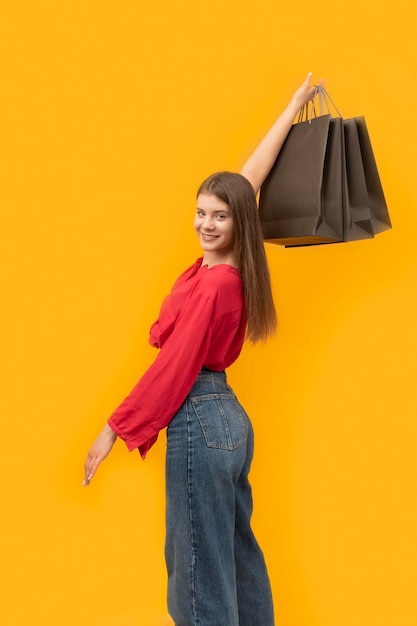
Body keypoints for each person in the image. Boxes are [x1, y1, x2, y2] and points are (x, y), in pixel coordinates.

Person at [83, 73, 319, 626]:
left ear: (240, 222)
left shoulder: (215, 284)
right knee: (235, 560)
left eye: (219, 216)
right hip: (230, 421)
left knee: (195, 573)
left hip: (201, 417)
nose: (206, 224)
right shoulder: (230, 268)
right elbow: (249, 178)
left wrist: (114, 428)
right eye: (201, 213)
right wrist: (292, 107)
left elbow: (174, 367)